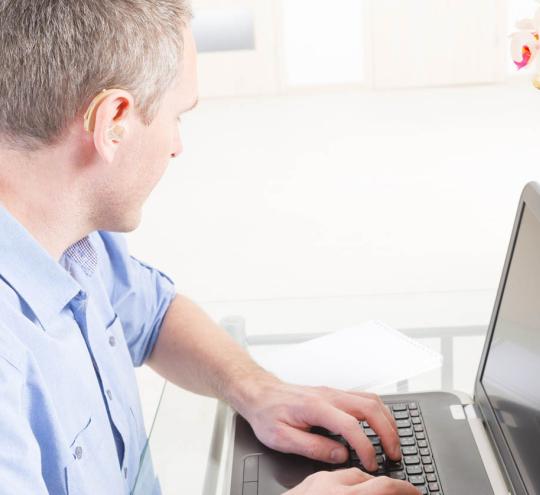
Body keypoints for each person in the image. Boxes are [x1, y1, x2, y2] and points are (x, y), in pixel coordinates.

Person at [0, 1, 419, 494]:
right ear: (113, 121)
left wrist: (256, 388)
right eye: (178, 117)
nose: (177, 145)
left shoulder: (74, 242)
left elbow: (154, 316)